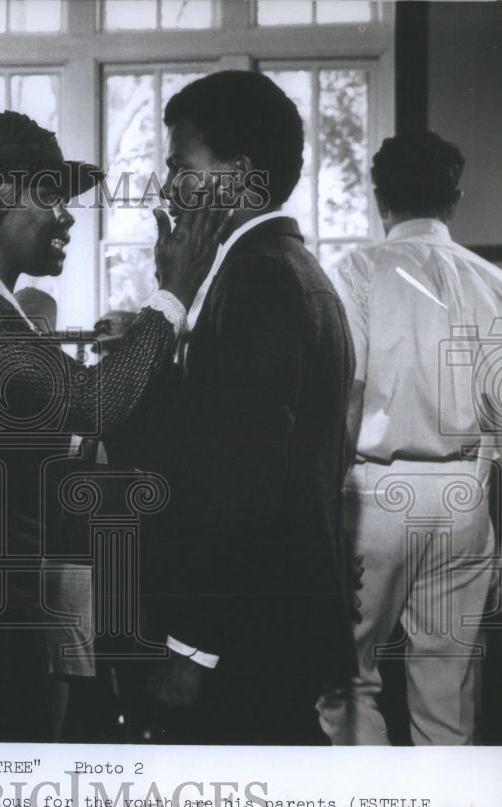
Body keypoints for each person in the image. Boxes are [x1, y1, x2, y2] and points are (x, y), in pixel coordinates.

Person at [0, 110, 231, 742]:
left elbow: (61, 427)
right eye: (52, 195)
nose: (67, 216)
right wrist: (173, 292)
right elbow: (91, 402)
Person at [118, 71, 358, 745]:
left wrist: (192, 649)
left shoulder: (258, 277)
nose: (168, 189)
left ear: (242, 176)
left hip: (248, 632)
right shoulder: (287, 266)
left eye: (180, 167)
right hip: (269, 620)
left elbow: (239, 482)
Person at [318, 131, 502, 746]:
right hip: (465, 496)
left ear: (380, 198)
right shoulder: (500, 285)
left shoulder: (355, 272)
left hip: (375, 494)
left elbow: (347, 399)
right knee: (447, 696)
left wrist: (325, 513)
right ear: (454, 199)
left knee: (345, 682)